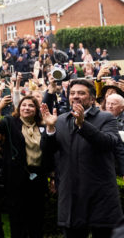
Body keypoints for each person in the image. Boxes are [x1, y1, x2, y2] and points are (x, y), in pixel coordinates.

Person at [43, 78, 123, 238]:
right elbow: (46, 152)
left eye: (81, 93)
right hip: (71, 196)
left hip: (100, 196)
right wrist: (50, 129)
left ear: (92, 98)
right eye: (72, 93)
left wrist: (82, 125)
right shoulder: (60, 120)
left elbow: (108, 143)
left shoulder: (106, 118)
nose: (76, 96)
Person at [0, 93, 50, 238]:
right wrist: (0, 106)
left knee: (36, 217)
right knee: (17, 217)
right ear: (19, 108)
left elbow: (50, 150)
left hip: (38, 177)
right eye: (24, 105)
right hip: (16, 178)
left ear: (36, 109)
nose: (27, 108)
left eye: (31, 105)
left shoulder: (42, 126)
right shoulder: (11, 122)